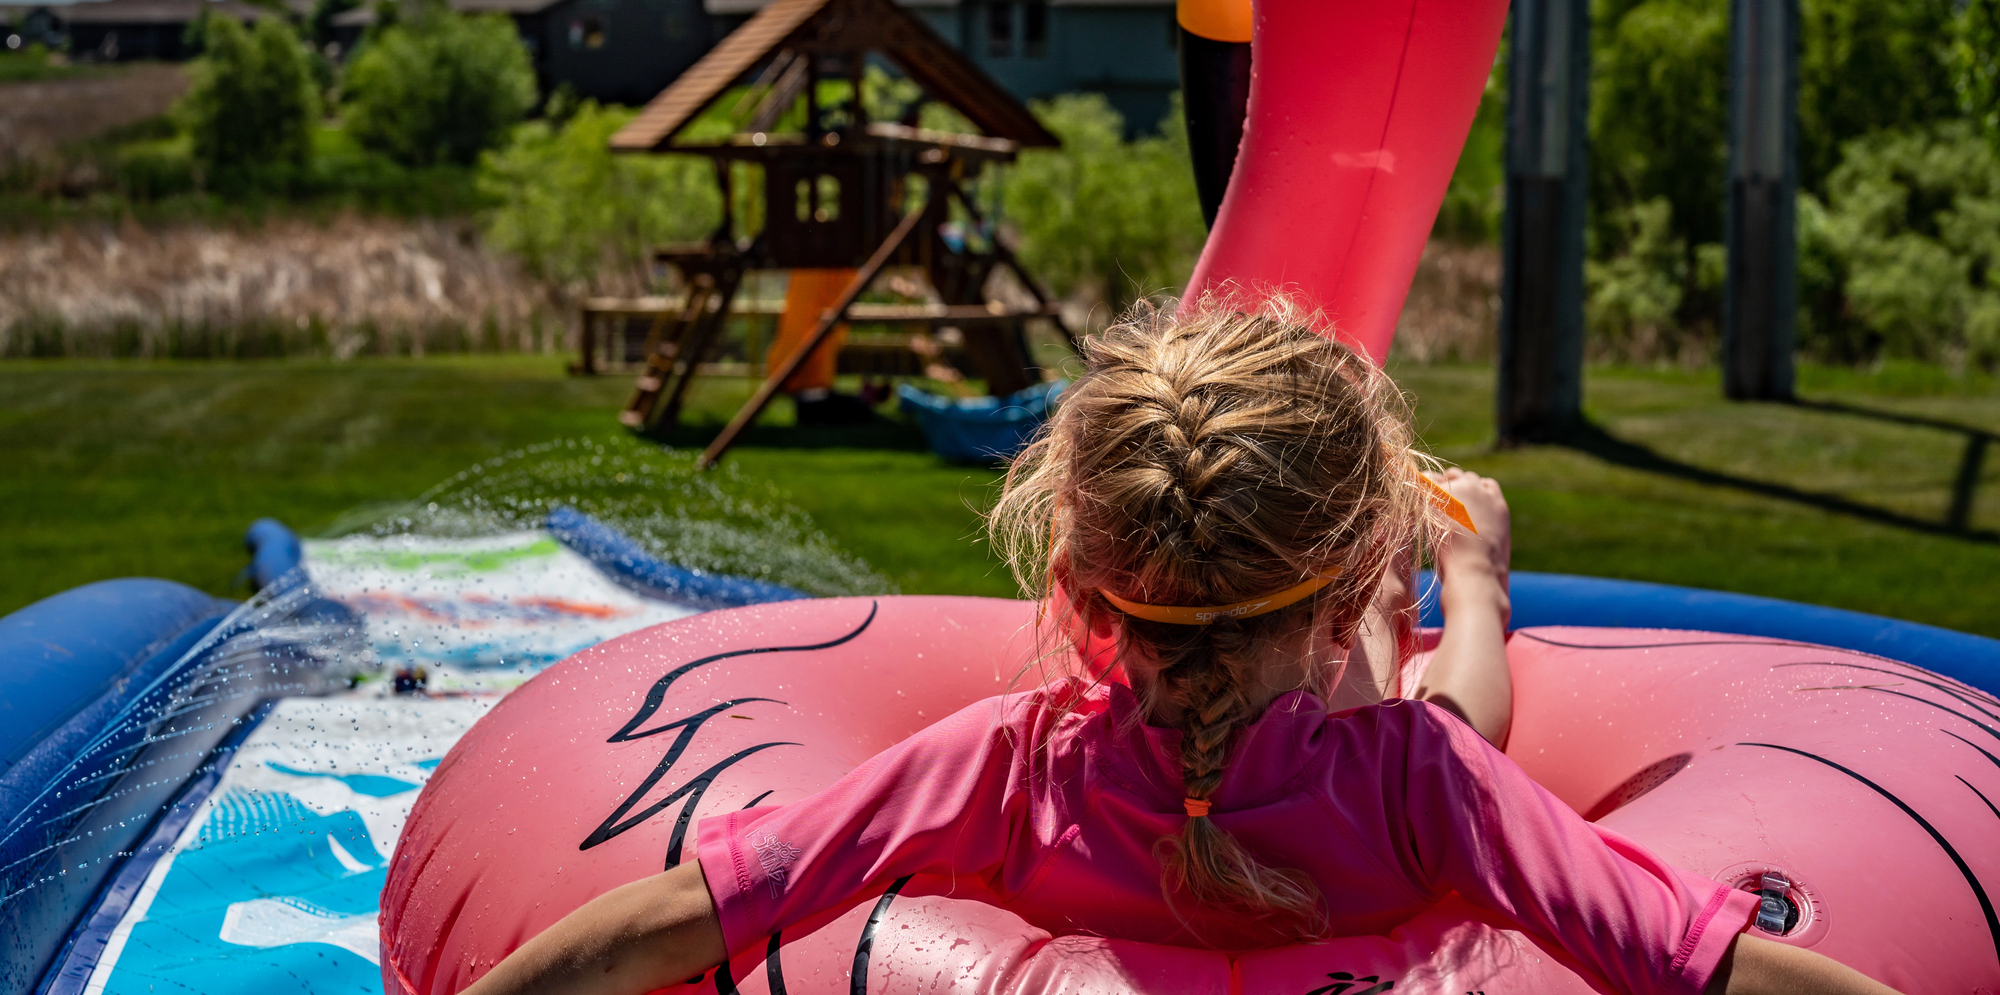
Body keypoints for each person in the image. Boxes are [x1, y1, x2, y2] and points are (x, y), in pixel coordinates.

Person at [462, 299, 1901, 995]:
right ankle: (1464, 575)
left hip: (1296, 656)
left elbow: (705, 906)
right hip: (1380, 718)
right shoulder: (1422, 787)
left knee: (1401, 714)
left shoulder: (1001, 767)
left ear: (1080, 584)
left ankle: (1438, 576)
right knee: (1445, 713)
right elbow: (1699, 962)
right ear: (1333, 587)